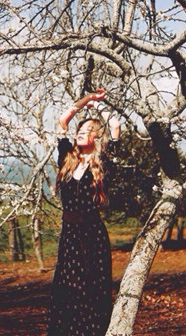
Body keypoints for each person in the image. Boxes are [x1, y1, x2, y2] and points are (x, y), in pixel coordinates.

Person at [47, 89, 120, 336]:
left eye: (88, 130)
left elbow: (115, 126)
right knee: (67, 288)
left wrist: (100, 105)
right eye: (80, 129)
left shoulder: (104, 163)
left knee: (92, 289)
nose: (80, 132)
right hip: (70, 233)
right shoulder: (68, 159)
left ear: (98, 136)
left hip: (92, 234)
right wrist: (87, 99)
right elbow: (63, 120)